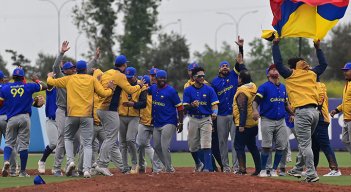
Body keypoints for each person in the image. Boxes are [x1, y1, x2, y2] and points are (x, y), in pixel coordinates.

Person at [272, 38, 327, 182]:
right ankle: (297, 168)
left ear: (293, 67)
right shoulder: (312, 73)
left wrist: (275, 46)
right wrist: (318, 48)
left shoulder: (291, 74)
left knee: (305, 144)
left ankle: (311, 173)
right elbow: (324, 64)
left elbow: (278, 63)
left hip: (302, 112)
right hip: (315, 112)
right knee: (306, 142)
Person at [47, 60, 114, 178]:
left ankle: (70, 161)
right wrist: (110, 89)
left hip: (71, 114)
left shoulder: (69, 79)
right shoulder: (92, 79)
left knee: (67, 138)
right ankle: (86, 170)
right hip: (87, 116)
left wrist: (49, 77)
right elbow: (103, 93)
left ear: (76, 69)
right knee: (87, 143)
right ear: (86, 70)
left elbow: (51, 82)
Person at [52, 41, 99, 176]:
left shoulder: (76, 78)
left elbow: (86, 68)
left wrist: (95, 59)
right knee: (62, 137)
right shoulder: (62, 78)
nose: (73, 69)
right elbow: (55, 66)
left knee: (78, 140)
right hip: (62, 110)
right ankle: (56, 168)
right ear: (64, 71)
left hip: (75, 113)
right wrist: (61, 53)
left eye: (74, 68)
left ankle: (71, 166)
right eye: (71, 68)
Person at [94, 55, 143, 176]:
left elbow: (98, 84)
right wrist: (140, 85)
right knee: (111, 138)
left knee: (109, 138)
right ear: (124, 65)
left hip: (100, 108)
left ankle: (111, 165)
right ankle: (102, 164)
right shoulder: (120, 75)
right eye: (125, 64)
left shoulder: (107, 72)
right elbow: (130, 90)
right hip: (109, 110)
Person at [1, 68, 47, 177]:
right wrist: (36, 80)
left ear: (13, 77)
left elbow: (1, 103)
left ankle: (6, 161)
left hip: (11, 118)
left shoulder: (6, 88)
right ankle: (22, 172)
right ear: (23, 77)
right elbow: (44, 86)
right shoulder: (29, 86)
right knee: (23, 146)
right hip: (25, 118)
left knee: (9, 143)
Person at [211, 36, 246, 173]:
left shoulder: (233, 75)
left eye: (226, 65)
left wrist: (240, 47)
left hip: (234, 114)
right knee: (222, 142)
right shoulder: (214, 82)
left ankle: (236, 166)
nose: (225, 67)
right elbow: (213, 101)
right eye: (223, 66)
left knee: (235, 141)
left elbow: (239, 60)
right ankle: (225, 166)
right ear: (219, 69)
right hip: (221, 115)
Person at [252, 64, 292, 177]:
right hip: (267, 119)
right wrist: (255, 110)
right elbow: (255, 101)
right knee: (266, 146)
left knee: (281, 146)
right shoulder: (264, 87)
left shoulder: (283, 87)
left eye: (276, 69)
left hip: (281, 120)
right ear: (268, 74)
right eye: (272, 69)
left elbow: (286, 104)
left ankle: (274, 169)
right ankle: (264, 170)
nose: (275, 70)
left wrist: (293, 113)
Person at [183, 67, 219, 172]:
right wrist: (192, 105)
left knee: (206, 144)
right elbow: (185, 107)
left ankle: (209, 168)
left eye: (203, 75)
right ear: (194, 77)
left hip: (206, 119)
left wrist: (215, 112)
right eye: (199, 76)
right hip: (193, 118)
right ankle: (199, 163)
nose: (202, 77)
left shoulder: (209, 89)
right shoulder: (188, 90)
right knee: (192, 146)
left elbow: (215, 104)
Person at [149, 70, 184, 173]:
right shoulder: (153, 88)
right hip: (157, 123)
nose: (163, 80)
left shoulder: (171, 91)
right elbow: (145, 90)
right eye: (160, 78)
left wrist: (180, 123)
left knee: (165, 146)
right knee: (156, 147)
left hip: (169, 121)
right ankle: (169, 167)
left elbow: (180, 108)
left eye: (164, 78)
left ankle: (169, 169)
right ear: (156, 79)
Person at [233, 69, 261, 176]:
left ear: (240, 79)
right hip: (253, 124)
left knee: (239, 146)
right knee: (252, 146)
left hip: (245, 123)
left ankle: (242, 169)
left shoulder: (242, 92)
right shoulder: (253, 86)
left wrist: (241, 125)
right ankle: (259, 169)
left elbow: (242, 109)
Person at [118, 67, 145, 174]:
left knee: (130, 139)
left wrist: (133, 104)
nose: (128, 79)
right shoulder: (122, 83)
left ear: (135, 76)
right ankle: (125, 166)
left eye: (130, 77)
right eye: (127, 77)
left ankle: (134, 163)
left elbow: (143, 103)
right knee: (122, 143)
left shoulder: (141, 86)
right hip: (122, 115)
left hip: (134, 116)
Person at [312, 78, 341, 176]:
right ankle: (313, 169)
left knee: (325, 144)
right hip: (315, 119)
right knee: (314, 146)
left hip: (321, 118)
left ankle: (335, 169)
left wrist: (317, 108)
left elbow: (320, 99)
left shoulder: (319, 85)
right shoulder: (309, 85)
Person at [136, 75, 163, 174]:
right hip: (143, 122)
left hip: (155, 123)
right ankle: (142, 165)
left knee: (157, 146)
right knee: (140, 144)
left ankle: (158, 167)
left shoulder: (156, 93)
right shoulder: (141, 93)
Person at [331, 62, 351, 165]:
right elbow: (345, 103)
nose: (345, 73)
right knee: (345, 140)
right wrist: (336, 110)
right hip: (346, 119)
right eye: (344, 71)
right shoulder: (347, 84)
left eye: (346, 71)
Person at [37, 85, 58, 174]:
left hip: (64, 120)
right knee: (53, 144)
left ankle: (56, 166)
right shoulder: (51, 89)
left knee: (63, 145)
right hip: (51, 120)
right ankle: (42, 161)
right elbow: (47, 85)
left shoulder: (67, 89)